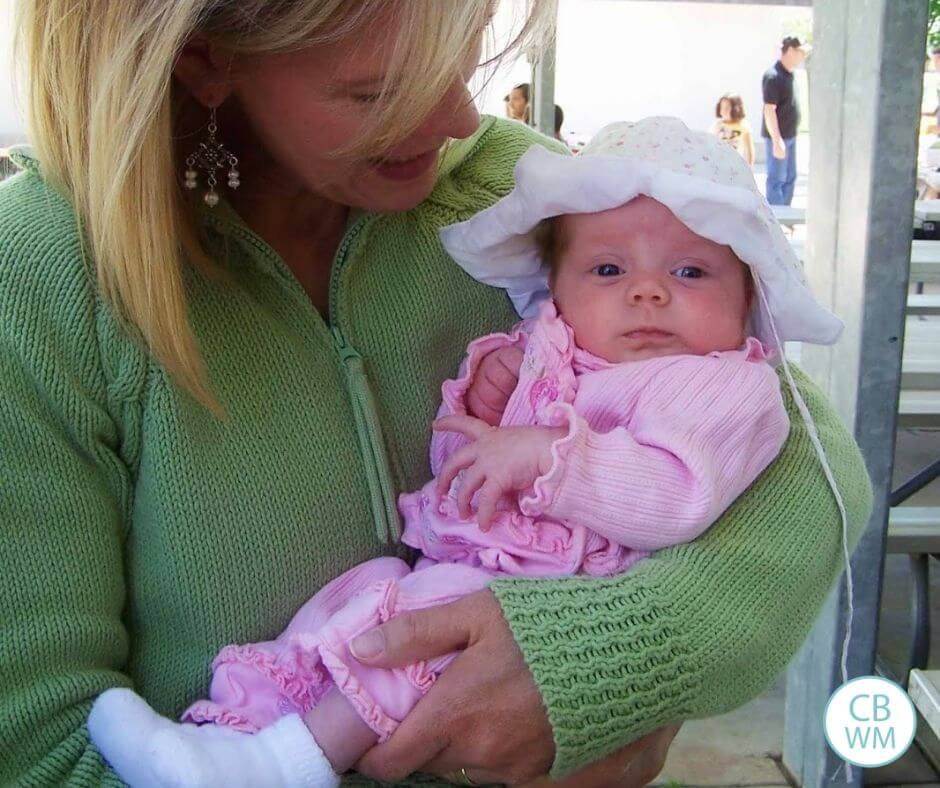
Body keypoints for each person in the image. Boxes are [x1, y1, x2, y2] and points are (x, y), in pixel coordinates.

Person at [0, 1, 872, 786]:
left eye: (466, 55)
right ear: (201, 60)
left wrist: (613, 662)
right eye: (381, 90)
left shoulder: (524, 197)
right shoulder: (41, 281)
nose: (459, 117)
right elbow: (44, 750)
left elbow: (808, 460)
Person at [761, 36, 805, 205]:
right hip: (779, 137)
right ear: (791, 50)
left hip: (791, 135)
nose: (803, 56)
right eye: (801, 52)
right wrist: (776, 140)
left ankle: (785, 215)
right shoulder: (773, 76)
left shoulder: (790, 75)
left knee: (790, 177)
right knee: (776, 179)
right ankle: (776, 217)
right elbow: (769, 109)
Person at [711, 94, 755, 167]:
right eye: (722, 108)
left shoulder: (743, 126)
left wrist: (749, 167)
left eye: (727, 108)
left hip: (736, 165)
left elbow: (749, 149)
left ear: (736, 109)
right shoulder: (717, 125)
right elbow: (711, 144)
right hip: (719, 164)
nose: (723, 111)